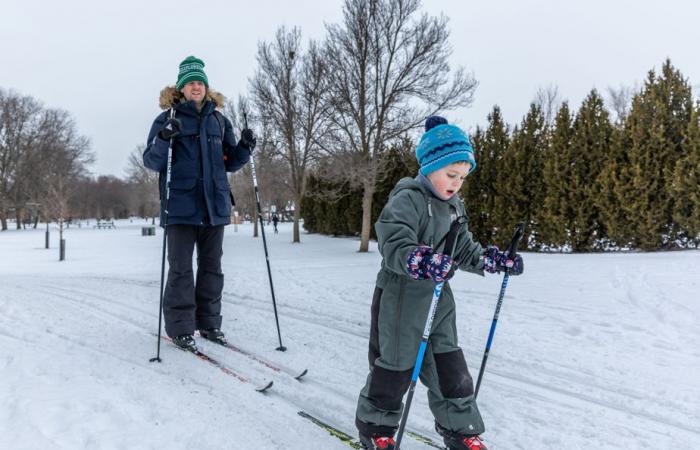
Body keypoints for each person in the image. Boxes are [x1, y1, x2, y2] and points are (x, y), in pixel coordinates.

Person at [355, 116, 524, 450]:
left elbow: (463, 248)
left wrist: (491, 260)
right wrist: (420, 258)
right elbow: (393, 240)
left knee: (450, 366)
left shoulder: (454, 207)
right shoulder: (408, 198)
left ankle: (460, 431)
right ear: (431, 166)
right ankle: (376, 430)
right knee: (395, 368)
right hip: (401, 297)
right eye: (451, 175)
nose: (457, 183)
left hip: (438, 297)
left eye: (462, 177)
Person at [143, 56, 256, 352]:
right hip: (180, 208)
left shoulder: (219, 120)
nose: (196, 86)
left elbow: (231, 162)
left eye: (200, 82)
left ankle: (209, 323)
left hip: (214, 207)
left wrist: (245, 147)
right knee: (180, 269)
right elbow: (151, 160)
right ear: (181, 88)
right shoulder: (167, 119)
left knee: (212, 268)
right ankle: (180, 328)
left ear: (206, 87)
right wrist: (165, 137)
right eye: (191, 82)